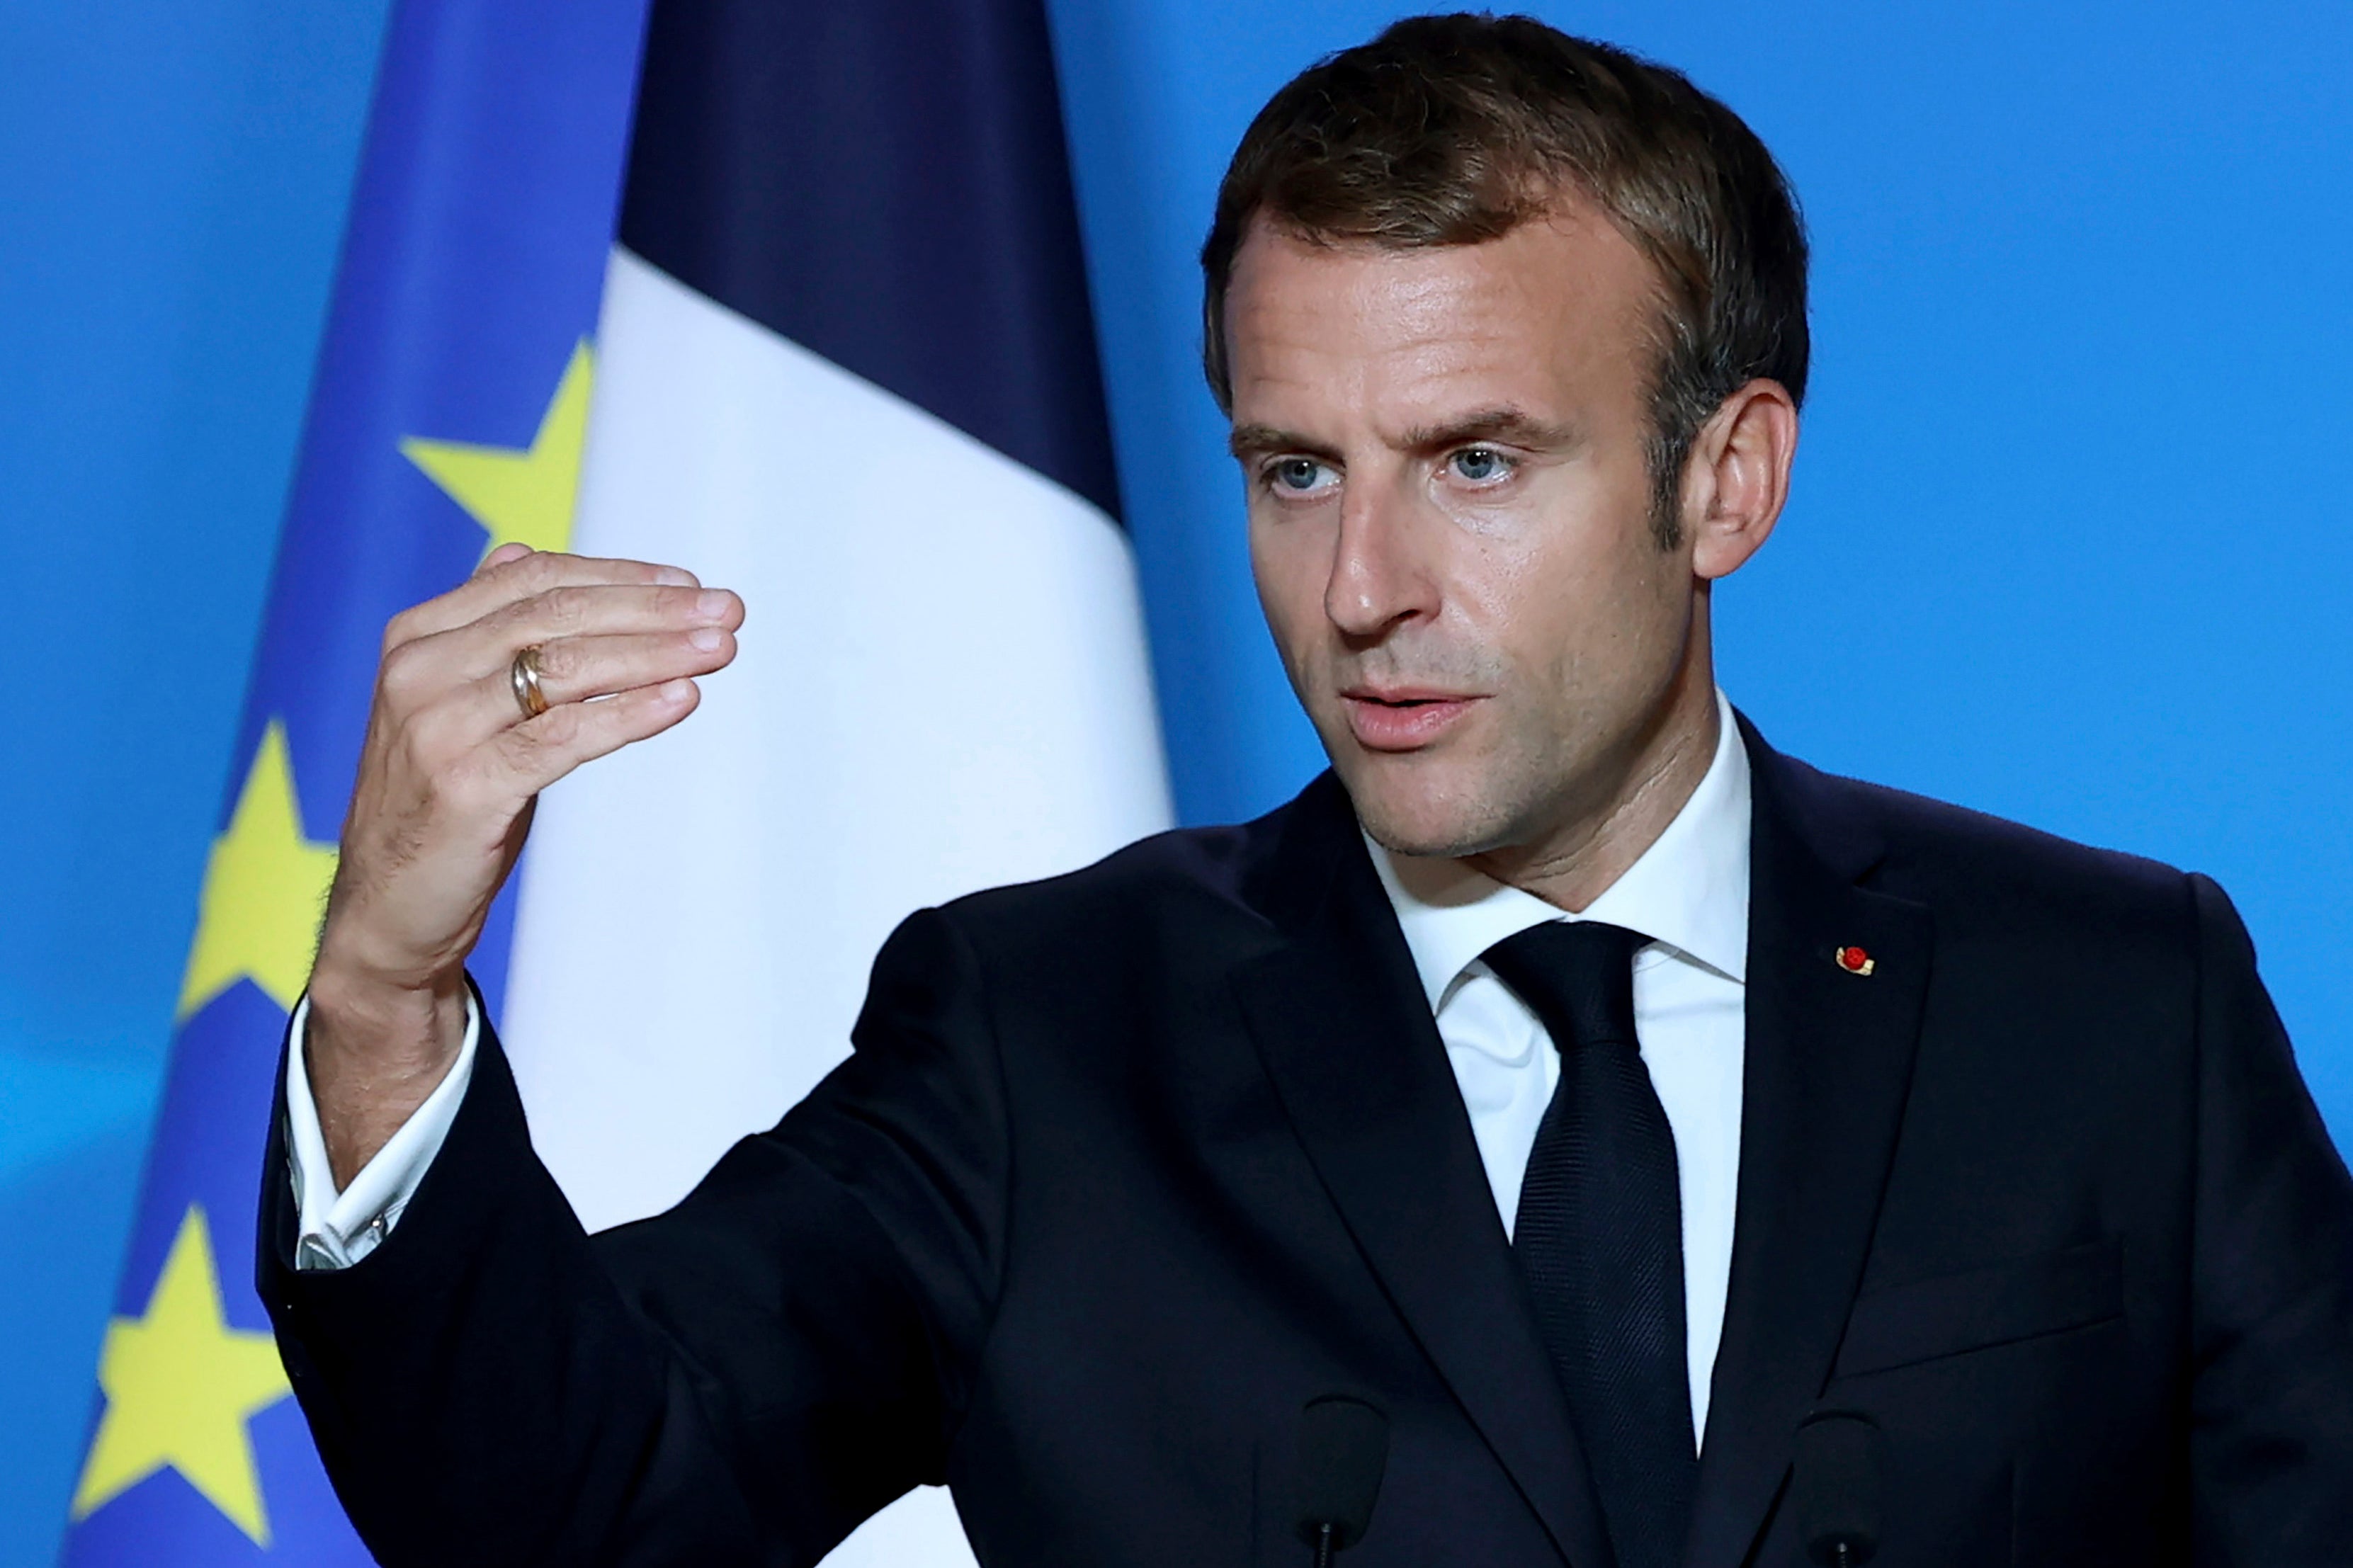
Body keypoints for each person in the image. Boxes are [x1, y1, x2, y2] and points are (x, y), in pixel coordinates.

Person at [263, 14, 2353, 1567]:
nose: (1361, 592)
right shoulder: (1044, 1039)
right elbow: (570, 1510)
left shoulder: (2106, 1000)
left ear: (1723, 481)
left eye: (1474, 462)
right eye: (1292, 472)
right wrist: (380, 995)